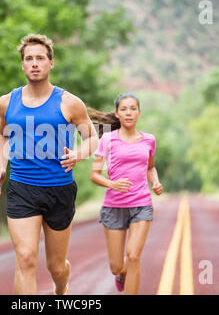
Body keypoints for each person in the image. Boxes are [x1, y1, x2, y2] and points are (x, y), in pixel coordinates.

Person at [0, 34, 98, 295]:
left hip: (59, 189)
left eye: (40, 58)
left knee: (56, 267)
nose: (34, 63)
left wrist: (77, 153)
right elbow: (1, 134)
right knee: (26, 258)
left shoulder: (69, 103)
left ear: (51, 63)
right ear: (23, 65)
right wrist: (1, 166)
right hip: (22, 188)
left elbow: (93, 138)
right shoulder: (7, 102)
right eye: (29, 58)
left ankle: (61, 288)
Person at [89, 93, 163, 295]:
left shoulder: (149, 140)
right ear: (117, 114)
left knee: (133, 257)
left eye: (132, 108)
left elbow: (150, 168)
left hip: (141, 205)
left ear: (139, 112)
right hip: (114, 207)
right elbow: (94, 175)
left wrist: (155, 181)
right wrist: (112, 183)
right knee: (116, 265)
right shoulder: (107, 139)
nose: (128, 112)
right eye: (124, 109)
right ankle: (121, 273)